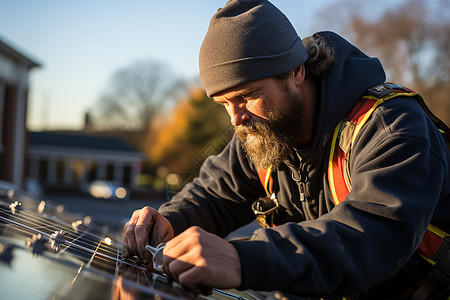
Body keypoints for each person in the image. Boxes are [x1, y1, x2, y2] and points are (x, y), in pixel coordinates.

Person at [122, 0, 450, 298]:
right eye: (224, 103)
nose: (236, 119)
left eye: (246, 96)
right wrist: (169, 221)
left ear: (296, 72)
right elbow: (214, 194)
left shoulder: (392, 126)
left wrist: (243, 260)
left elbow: (374, 235)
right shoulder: (263, 132)